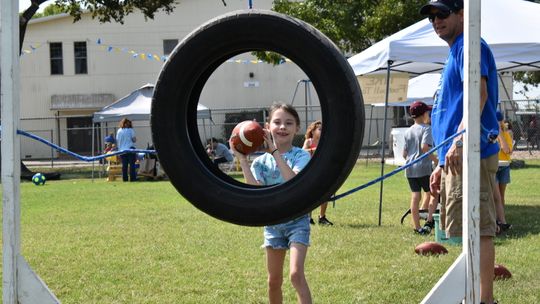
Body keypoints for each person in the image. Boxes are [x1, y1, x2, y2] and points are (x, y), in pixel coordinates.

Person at [421, 1, 499, 303]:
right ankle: (472, 296)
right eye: (431, 17)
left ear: (463, 14)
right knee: (466, 228)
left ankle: (484, 300)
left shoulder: (469, 46)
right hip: (456, 155)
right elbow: (452, 110)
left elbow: (478, 95)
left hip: (471, 152)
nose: (435, 20)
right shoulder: (456, 50)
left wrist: (459, 142)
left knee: (480, 229)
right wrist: (442, 162)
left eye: (442, 14)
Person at [230, 102, 312, 304]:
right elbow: (254, 191)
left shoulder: (302, 155)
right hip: (273, 224)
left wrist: (275, 151)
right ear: (267, 127)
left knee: (295, 275)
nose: (282, 127)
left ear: (297, 128)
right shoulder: (260, 162)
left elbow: (293, 182)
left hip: (297, 222)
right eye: (277, 122)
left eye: (289, 123)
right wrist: (243, 159)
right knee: (273, 281)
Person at [402, 101, 438, 234]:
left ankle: (417, 227)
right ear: (424, 115)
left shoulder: (408, 131)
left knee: (415, 196)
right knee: (433, 193)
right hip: (423, 167)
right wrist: (436, 160)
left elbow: (404, 153)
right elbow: (425, 147)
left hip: (410, 168)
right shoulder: (426, 129)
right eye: (428, 112)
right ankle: (429, 221)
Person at [302, 120, 333, 226]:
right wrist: (310, 150)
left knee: (325, 193)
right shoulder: (309, 142)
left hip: (322, 171)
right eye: (319, 129)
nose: (322, 131)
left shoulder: (325, 142)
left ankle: (322, 217)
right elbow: (302, 153)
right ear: (313, 131)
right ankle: (309, 218)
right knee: (309, 194)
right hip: (310, 171)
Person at [495, 111, 513, 232]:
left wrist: (500, 134)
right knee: (495, 195)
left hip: (504, 166)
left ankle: (501, 219)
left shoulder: (506, 134)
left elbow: (507, 150)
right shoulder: (489, 134)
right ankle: (498, 221)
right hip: (493, 167)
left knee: (501, 195)